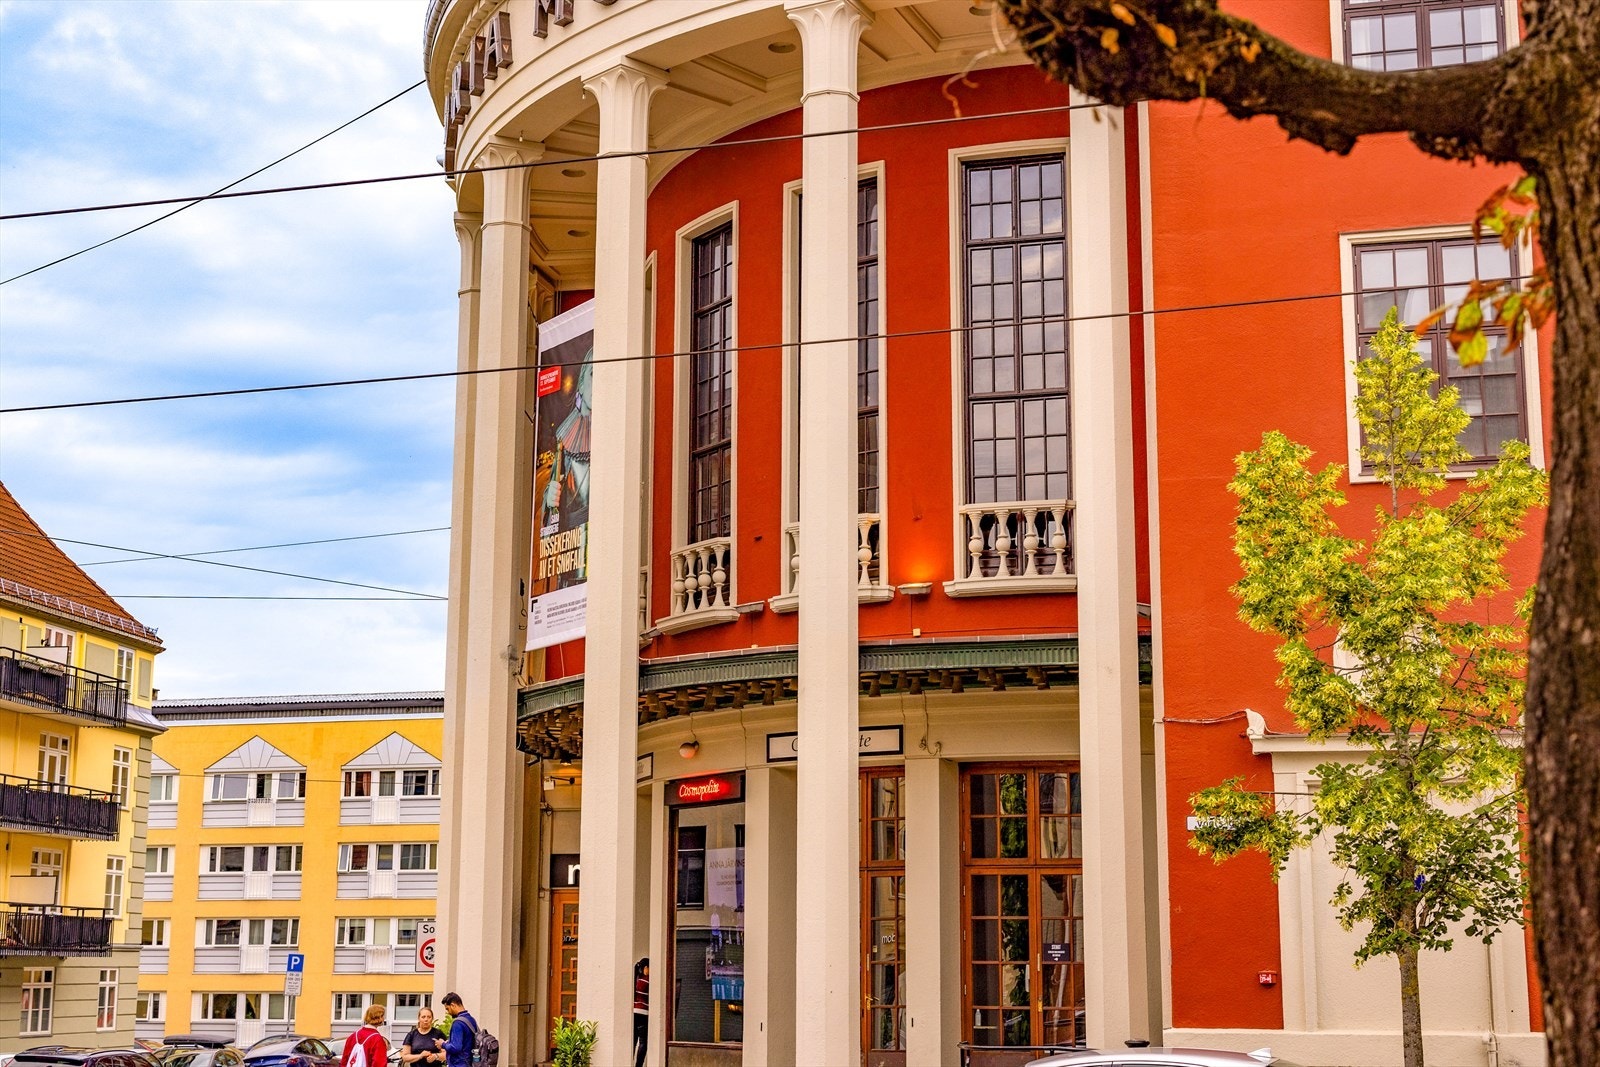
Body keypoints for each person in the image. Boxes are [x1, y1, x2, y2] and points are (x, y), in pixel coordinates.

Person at [439, 992, 477, 1067]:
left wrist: (443, 1044)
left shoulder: (458, 1023)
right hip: (469, 1062)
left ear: (453, 1005)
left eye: (447, 1009)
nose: (448, 1012)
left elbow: (456, 1048)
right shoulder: (471, 1020)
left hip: (459, 1064)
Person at [632, 958, 649, 1067]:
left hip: (634, 1012)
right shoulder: (648, 980)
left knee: (634, 1040)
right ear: (646, 968)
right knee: (643, 1042)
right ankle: (638, 1065)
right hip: (644, 1013)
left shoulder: (636, 979)